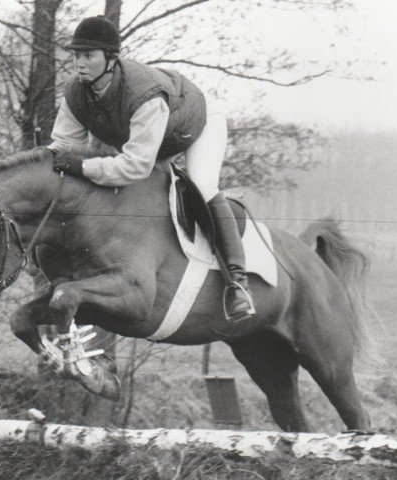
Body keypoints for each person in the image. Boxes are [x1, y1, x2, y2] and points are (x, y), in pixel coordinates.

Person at [48, 15, 255, 322]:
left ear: (111, 59)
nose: (79, 63)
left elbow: (135, 165)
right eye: (76, 55)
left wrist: (82, 165)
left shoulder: (143, 95)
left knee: (202, 185)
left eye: (88, 55)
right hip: (149, 139)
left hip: (196, 124)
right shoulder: (76, 94)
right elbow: (62, 149)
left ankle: (237, 284)